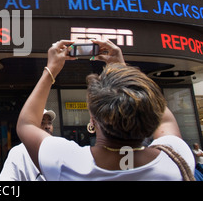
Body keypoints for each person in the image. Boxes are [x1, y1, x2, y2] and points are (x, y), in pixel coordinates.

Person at [17, 39, 195, 180]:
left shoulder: (67, 163)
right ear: (151, 115)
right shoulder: (176, 159)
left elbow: (26, 124)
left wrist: (51, 69)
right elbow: (165, 119)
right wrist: (122, 69)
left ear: (93, 119)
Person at [0, 109, 56, 181]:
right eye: (42, 122)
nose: (47, 126)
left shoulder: (58, 150)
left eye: (49, 123)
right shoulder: (19, 152)